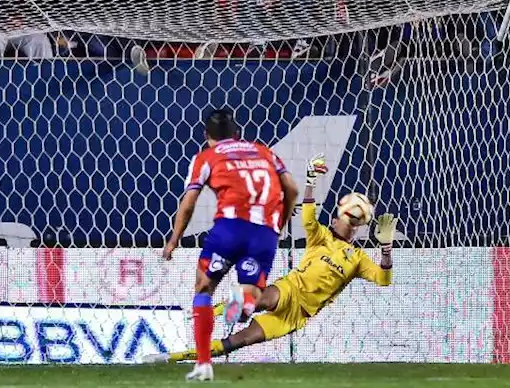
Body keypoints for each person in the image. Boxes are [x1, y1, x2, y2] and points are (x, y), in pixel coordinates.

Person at [146, 158, 393, 369]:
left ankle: (172, 357)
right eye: (347, 216)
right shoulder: (321, 236)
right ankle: (214, 312)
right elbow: (308, 214)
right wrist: (309, 181)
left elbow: (383, 279)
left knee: (239, 341)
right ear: (336, 217)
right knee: (258, 297)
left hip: (298, 315)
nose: (348, 222)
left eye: (355, 219)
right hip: (290, 289)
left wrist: (386, 249)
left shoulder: (358, 259)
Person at [159, 108, 298, 382]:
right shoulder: (264, 152)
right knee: (254, 292)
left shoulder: (207, 157)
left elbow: (189, 202)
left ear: (206, 136)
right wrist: (278, 226)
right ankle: (245, 302)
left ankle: (203, 363)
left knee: (204, 288)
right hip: (264, 234)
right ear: (238, 132)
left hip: (229, 229)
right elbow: (291, 190)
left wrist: (174, 238)